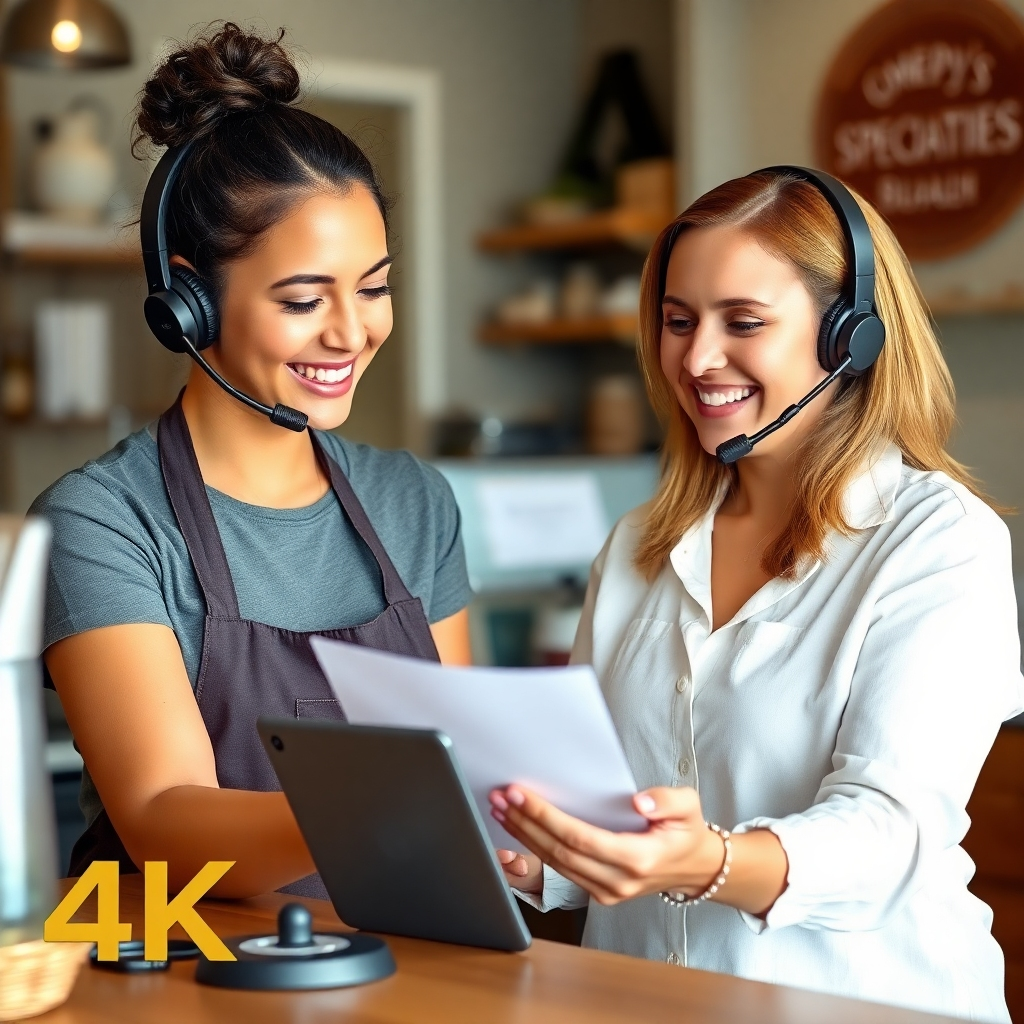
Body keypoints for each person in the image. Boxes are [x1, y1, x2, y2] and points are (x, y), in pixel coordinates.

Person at [491, 168, 1024, 1021]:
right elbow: (602, 804)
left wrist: (708, 862)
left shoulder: (938, 541)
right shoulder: (635, 546)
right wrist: (538, 851)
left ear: (849, 338)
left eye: (743, 322)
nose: (697, 359)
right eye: (678, 321)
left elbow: (892, 833)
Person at [34, 24, 471, 900]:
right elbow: (163, 818)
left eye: (374, 288)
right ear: (189, 302)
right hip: (187, 960)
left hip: (413, 952)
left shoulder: (414, 501)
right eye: (304, 301)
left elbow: (463, 761)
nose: (351, 333)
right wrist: (393, 806)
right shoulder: (102, 522)